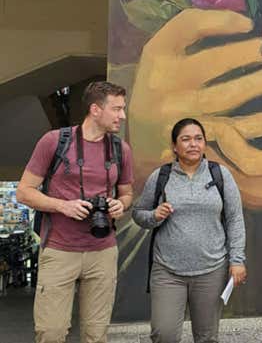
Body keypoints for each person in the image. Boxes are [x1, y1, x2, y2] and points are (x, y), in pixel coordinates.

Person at [17, 81, 134, 343]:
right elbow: (24, 192)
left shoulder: (120, 149)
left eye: (122, 109)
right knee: (51, 333)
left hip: (103, 251)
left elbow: (127, 193)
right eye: (116, 109)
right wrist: (63, 205)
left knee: (96, 334)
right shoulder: (54, 142)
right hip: (59, 250)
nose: (122, 116)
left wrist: (120, 204)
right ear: (95, 109)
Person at [132, 118, 247, 343]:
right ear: (175, 146)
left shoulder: (220, 175)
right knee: (164, 335)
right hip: (167, 271)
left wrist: (237, 260)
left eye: (198, 139)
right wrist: (154, 215)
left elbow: (235, 219)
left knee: (206, 337)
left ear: (205, 144)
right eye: (186, 139)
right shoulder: (161, 177)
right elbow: (139, 213)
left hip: (211, 269)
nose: (193, 144)